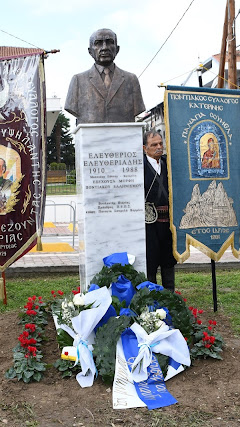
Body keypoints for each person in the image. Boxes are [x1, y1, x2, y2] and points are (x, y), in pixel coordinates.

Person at [65, 28, 146, 124]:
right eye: (98, 43)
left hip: (123, 136)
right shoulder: (78, 80)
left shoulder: (131, 80)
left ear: (117, 49)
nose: (104, 48)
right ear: (90, 51)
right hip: (90, 137)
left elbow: (138, 108)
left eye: (109, 42)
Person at [143, 130, 177, 291]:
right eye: (154, 145)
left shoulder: (168, 164)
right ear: (145, 148)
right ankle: (151, 299)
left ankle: (169, 297)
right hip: (148, 225)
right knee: (150, 262)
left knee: (168, 261)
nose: (158, 147)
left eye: (160, 143)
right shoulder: (138, 167)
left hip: (168, 223)